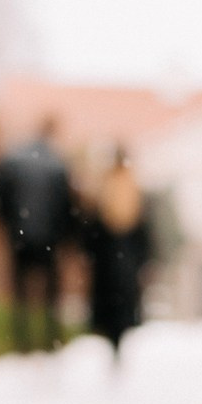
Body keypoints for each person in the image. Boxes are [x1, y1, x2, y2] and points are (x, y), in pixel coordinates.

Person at [0, 118, 74, 353]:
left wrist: (7, 222)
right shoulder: (56, 164)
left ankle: (21, 340)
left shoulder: (13, 161)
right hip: (48, 239)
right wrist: (63, 235)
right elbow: (67, 205)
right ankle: (50, 339)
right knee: (50, 292)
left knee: (20, 290)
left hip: (19, 237)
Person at [83, 147, 152, 354]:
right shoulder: (134, 188)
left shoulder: (104, 188)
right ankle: (117, 340)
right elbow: (145, 231)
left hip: (107, 259)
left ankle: (114, 341)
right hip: (126, 258)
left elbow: (92, 229)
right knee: (122, 305)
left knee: (110, 306)